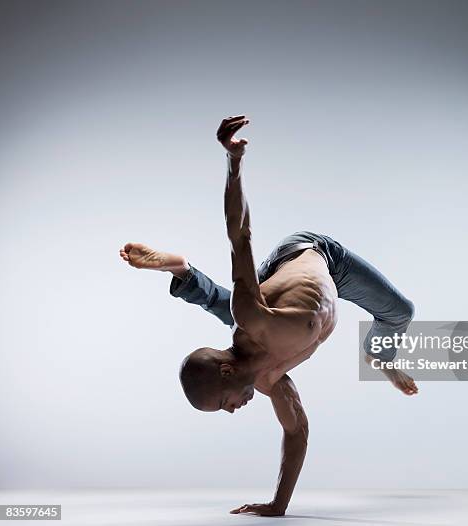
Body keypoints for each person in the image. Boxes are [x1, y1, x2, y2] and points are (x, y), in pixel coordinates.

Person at [119, 115, 417, 516]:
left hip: (312, 256)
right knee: (236, 314)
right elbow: (298, 433)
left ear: (226, 375)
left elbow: (239, 233)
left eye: (223, 404)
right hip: (284, 311)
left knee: (399, 313)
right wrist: (278, 505)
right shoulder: (269, 382)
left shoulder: (252, 321)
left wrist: (233, 163)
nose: (231, 411)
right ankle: (183, 273)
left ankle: (380, 355)